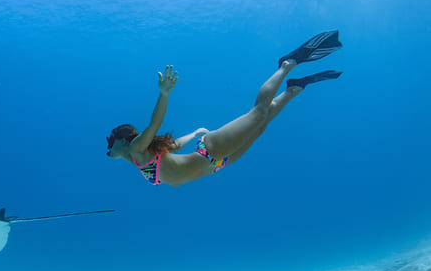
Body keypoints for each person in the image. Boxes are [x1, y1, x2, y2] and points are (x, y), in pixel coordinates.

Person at [106, 30, 343, 186]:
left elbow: (154, 124)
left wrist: (164, 94)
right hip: (217, 163)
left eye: (110, 141)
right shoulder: (139, 158)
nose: (108, 147)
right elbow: (173, 146)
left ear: (124, 139)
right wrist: (195, 132)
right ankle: (292, 90)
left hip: (210, 153)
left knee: (258, 114)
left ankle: (287, 64)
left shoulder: (137, 148)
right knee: (259, 128)